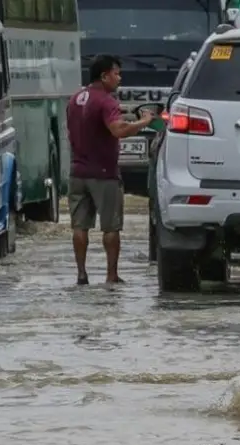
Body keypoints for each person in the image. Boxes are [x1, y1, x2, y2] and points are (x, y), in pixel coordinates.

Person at [67, 54, 155, 285]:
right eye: (116, 73)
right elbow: (118, 130)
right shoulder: (106, 101)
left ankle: (81, 273)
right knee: (111, 227)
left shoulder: (75, 98)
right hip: (104, 174)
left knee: (79, 226)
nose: (119, 78)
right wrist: (144, 122)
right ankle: (111, 275)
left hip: (77, 172)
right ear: (104, 76)